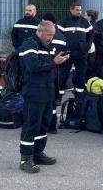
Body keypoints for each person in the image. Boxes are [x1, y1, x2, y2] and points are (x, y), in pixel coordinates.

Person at [18, 21, 69, 173]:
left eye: (53, 35)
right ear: (40, 32)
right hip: (33, 92)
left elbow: (48, 67)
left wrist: (58, 61)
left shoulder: (47, 46)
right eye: (48, 35)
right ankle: (25, 158)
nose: (51, 38)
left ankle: (38, 153)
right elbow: (33, 67)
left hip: (47, 91)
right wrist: (54, 62)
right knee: (31, 125)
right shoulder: (29, 45)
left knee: (43, 124)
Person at [57, 2, 93, 99]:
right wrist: (63, 48)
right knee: (63, 75)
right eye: (77, 10)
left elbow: (90, 35)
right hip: (67, 54)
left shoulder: (85, 22)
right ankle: (59, 96)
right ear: (71, 10)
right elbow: (57, 36)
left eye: (80, 10)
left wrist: (86, 47)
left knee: (81, 76)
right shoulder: (63, 22)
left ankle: (79, 96)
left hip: (81, 54)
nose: (79, 12)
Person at [42, 12, 67, 132]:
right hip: (56, 73)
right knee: (52, 100)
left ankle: (44, 124)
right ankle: (52, 125)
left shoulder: (42, 35)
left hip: (44, 72)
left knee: (43, 100)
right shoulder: (61, 36)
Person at [85, 10, 99, 80]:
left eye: (85, 15)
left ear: (90, 17)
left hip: (92, 49)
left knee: (90, 65)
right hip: (89, 48)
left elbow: (94, 34)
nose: (84, 17)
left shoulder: (93, 25)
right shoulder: (88, 23)